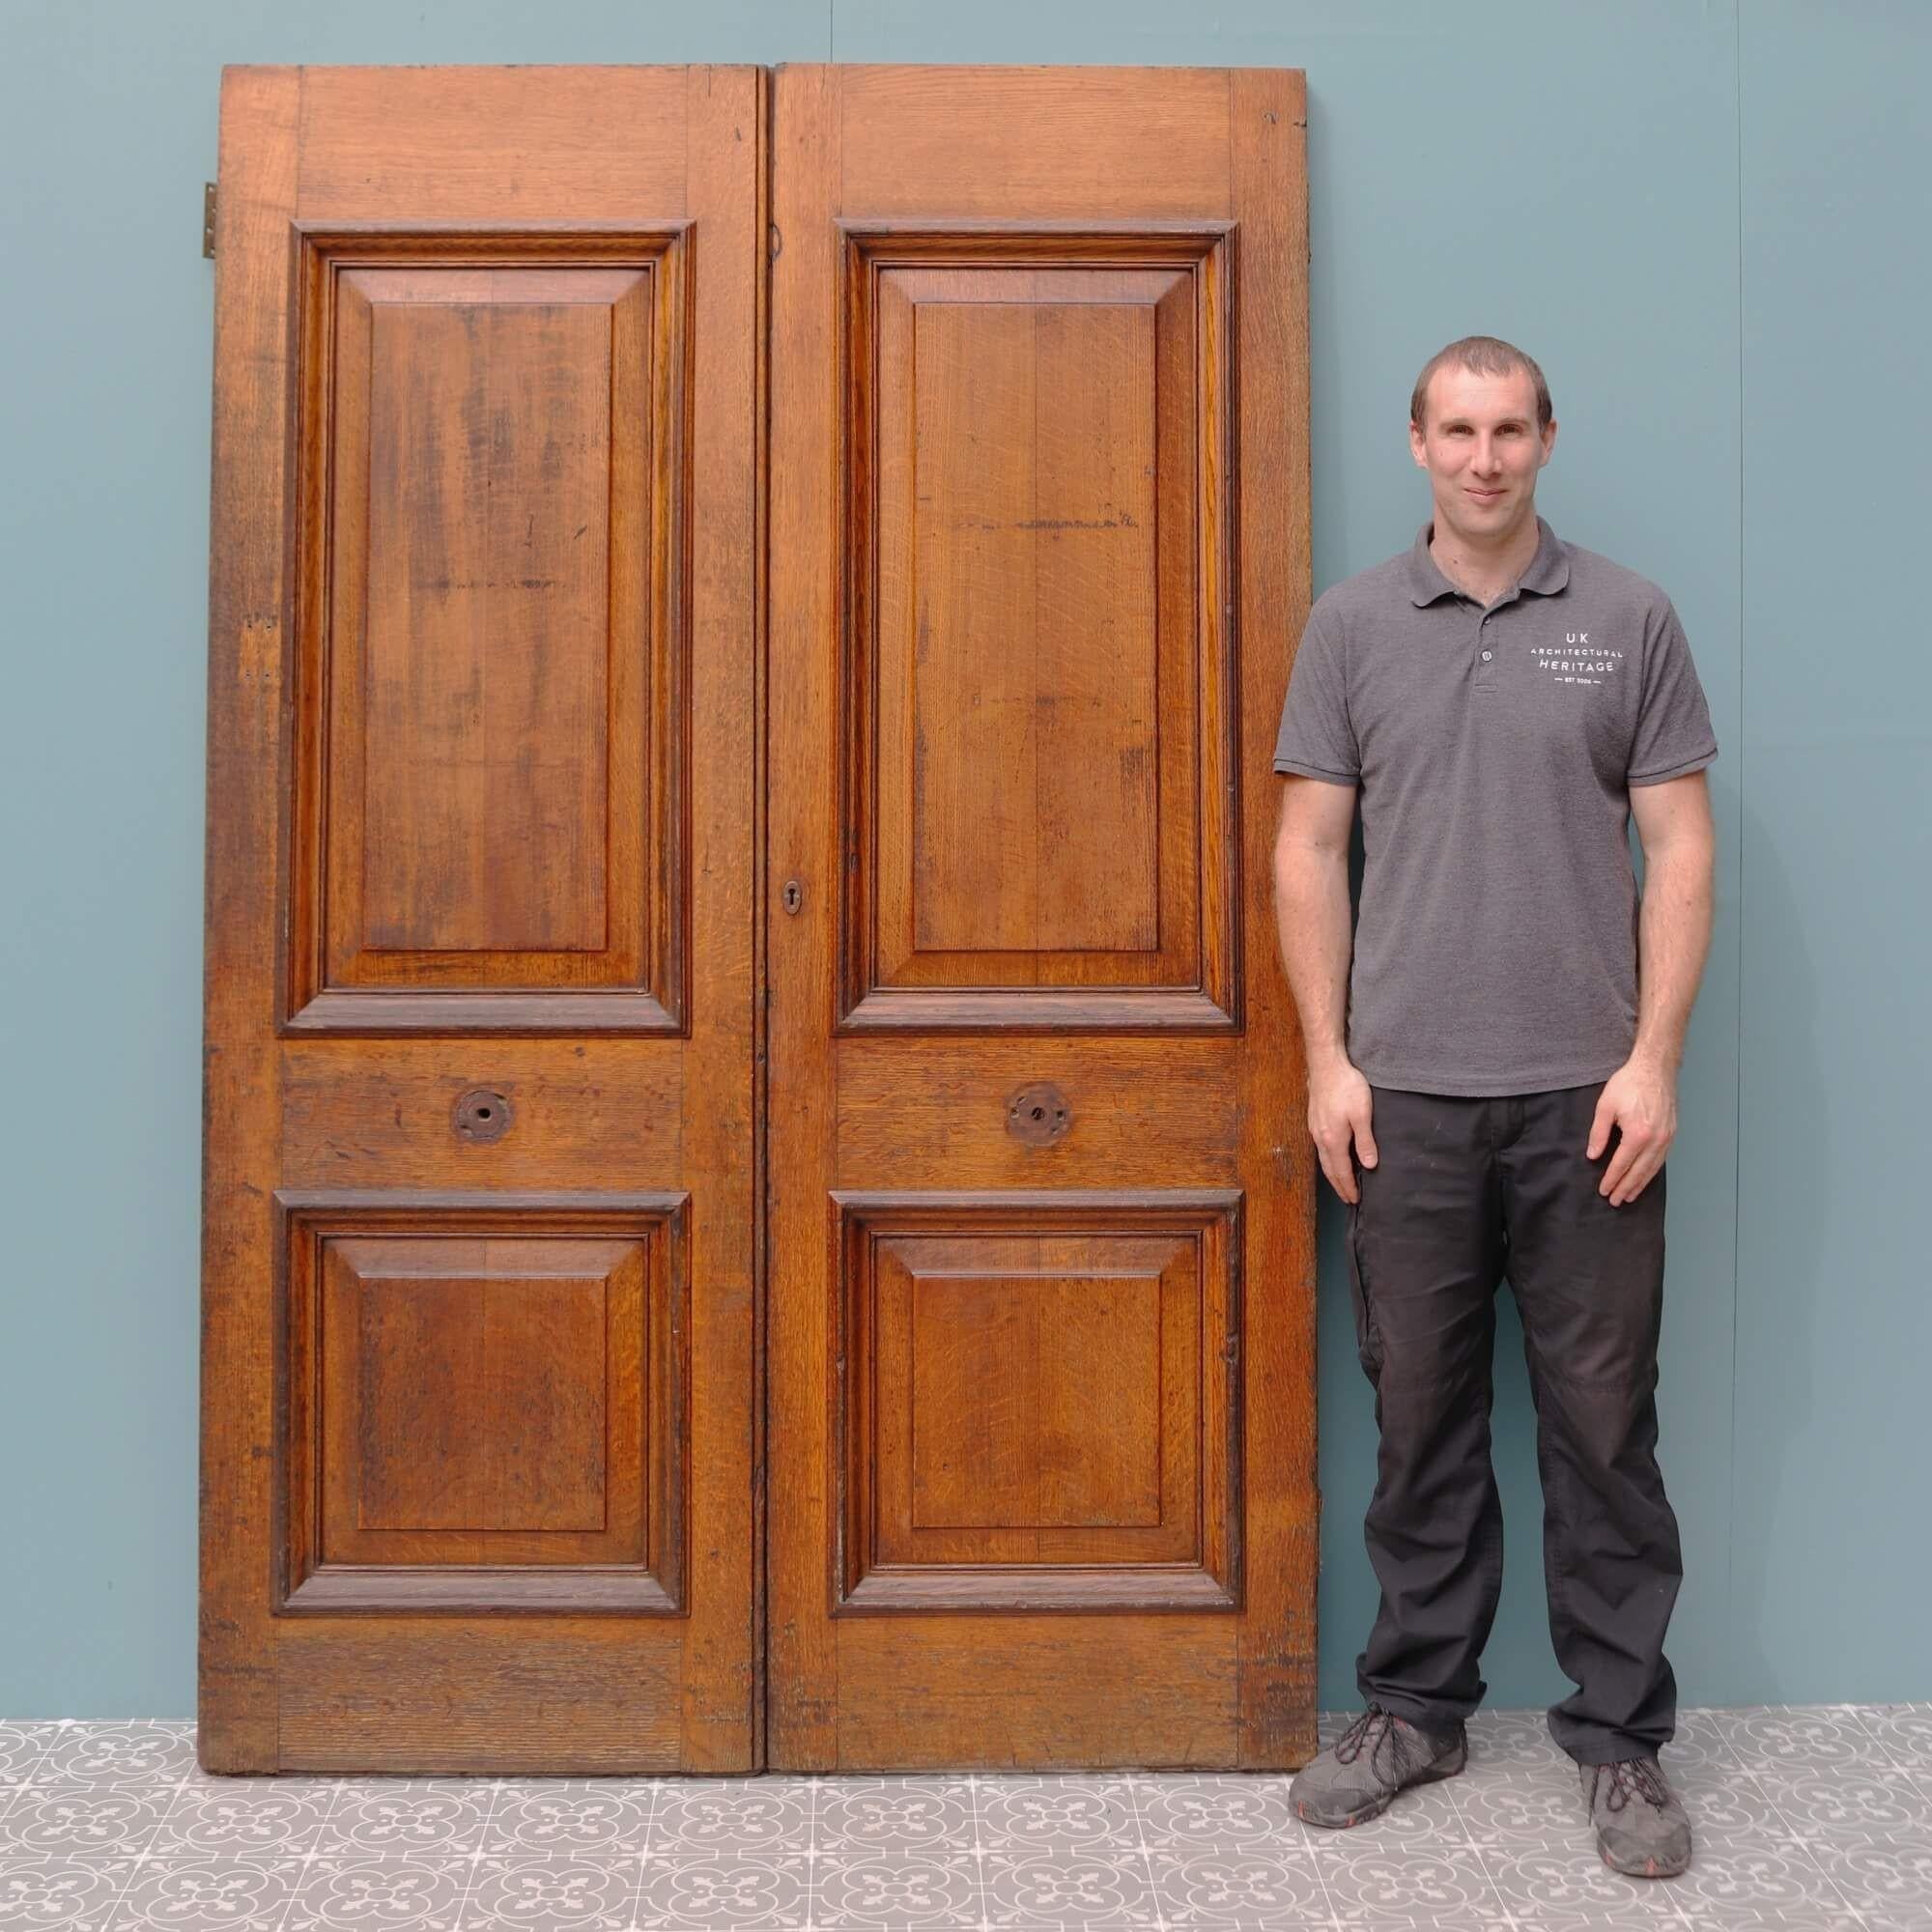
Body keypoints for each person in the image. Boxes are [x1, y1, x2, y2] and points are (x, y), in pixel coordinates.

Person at [1271, 335, 1718, 1880]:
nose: (1483, 457)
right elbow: (1309, 852)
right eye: (1455, 431)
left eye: (1508, 430)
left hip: (1588, 1103)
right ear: (1415, 445)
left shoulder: (1629, 619)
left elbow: (1680, 848)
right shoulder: (1349, 629)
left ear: (1545, 439)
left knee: (1605, 1433)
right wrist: (1329, 1060)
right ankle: (1415, 1708)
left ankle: (1622, 1742)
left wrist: (1652, 1060)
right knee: (1419, 1423)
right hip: (1407, 1105)